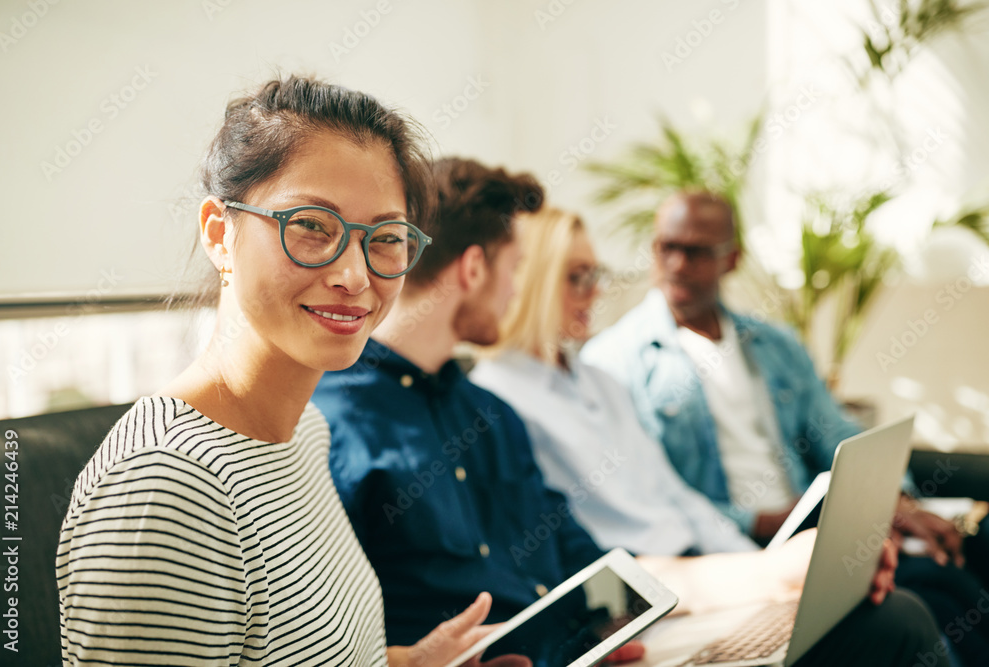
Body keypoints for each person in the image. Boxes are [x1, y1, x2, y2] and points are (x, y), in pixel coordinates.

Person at [313, 160, 948, 667]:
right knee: (898, 623)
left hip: (609, 644)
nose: (517, 292)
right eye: (518, 270)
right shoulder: (335, 426)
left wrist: (772, 577)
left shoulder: (489, 417)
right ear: (477, 267)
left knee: (886, 619)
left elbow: (597, 574)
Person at [56, 77, 526, 667]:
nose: (355, 275)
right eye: (310, 225)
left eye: (384, 238)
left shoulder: (304, 432)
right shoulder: (167, 490)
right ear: (219, 234)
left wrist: (410, 663)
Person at [581, 189, 989, 665]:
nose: (676, 263)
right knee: (919, 601)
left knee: (962, 565)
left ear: (730, 258)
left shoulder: (773, 344)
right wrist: (762, 520)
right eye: (664, 247)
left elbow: (836, 431)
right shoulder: (614, 364)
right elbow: (654, 498)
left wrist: (894, 501)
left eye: (695, 251)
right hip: (733, 550)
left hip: (811, 518)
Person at [471, 207, 758, 557]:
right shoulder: (494, 396)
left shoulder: (601, 381)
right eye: (578, 277)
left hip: (692, 561)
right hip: (637, 580)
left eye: (596, 275)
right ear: (533, 282)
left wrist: (748, 558)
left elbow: (675, 493)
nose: (596, 293)